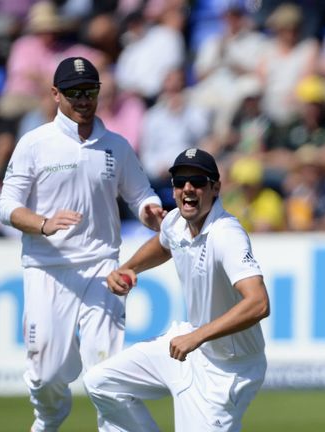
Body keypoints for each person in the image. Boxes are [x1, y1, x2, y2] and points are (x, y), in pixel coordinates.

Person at [0, 56, 166, 432]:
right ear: (56, 95)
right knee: (47, 374)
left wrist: (152, 212)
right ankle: (49, 418)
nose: (83, 100)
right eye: (74, 93)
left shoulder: (116, 146)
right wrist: (43, 223)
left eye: (90, 91)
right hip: (47, 268)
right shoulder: (35, 143)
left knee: (105, 372)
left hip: (103, 268)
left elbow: (140, 196)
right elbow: (6, 206)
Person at [84, 148, 270, 432]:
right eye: (180, 181)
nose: (187, 189)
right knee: (101, 382)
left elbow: (258, 303)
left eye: (197, 181)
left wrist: (197, 336)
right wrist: (129, 268)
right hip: (187, 347)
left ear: (215, 187)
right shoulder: (176, 222)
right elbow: (164, 243)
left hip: (229, 369)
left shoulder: (226, 234)